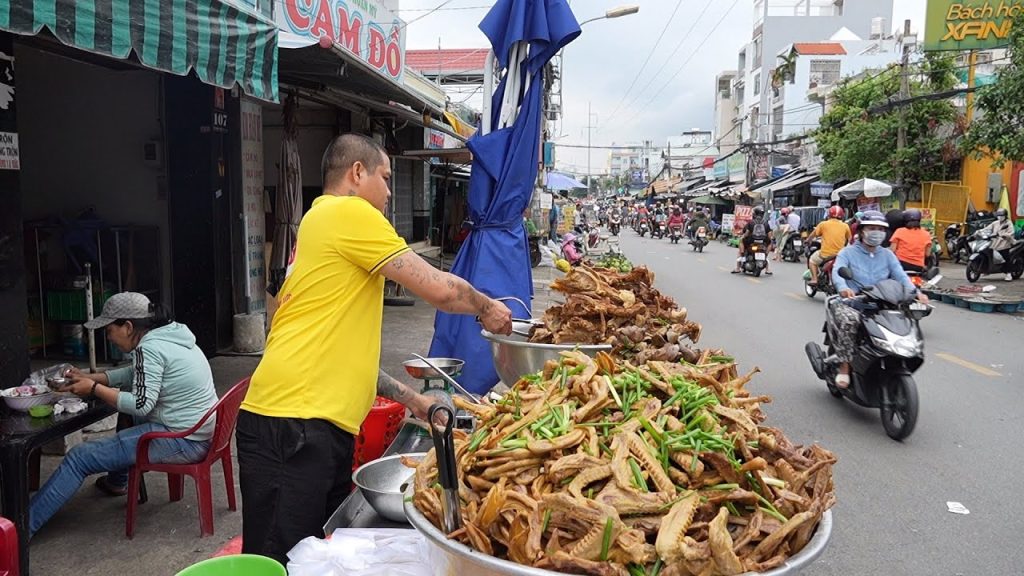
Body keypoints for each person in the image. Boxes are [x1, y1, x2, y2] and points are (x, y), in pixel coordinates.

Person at [237, 134, 513, 566]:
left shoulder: (321, 225)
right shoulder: (348, 212)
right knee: (280, 562)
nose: (389, 191)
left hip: (311, 425)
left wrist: (412, 399)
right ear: (357, 173)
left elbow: (342, 352)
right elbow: (440, 289)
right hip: (290, 424)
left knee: (310, 559)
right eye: (385, 178)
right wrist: (487, 307)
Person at [31, 293, 217, 537]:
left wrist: (94, 389)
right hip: (199, 430)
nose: (108, 338)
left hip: (182, 439)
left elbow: (141, 404)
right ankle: (117, 481)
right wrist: (92, 377)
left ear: (128, 327)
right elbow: (136, 373)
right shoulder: (171, 336)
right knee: (126, 415)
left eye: (109, 330)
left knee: (79, 458)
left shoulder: (149, 348)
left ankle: (21, 530)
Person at [830, 211, 929, 389]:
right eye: (871, 228)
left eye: (880, 229)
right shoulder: (847, 252)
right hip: (853, 303)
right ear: (861, 231)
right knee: (849, 321)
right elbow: (839, 272)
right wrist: (844, 289)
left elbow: (900, 276)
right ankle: (844, 367)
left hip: (882, 302)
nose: (876, 232)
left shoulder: (887, 255)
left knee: (906, 318)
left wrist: (916, 293)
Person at [806, 206, 852, 286]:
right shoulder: (845, 226)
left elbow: (813, 234)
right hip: (840, 255)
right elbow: (850, 240)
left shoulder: (823, 224)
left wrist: (807, 241)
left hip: (825, 254)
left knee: (812, 261)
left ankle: (814, 279)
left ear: (829, 215)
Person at [733, 206, 773, 275]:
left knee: (741, 241)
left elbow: (746, 234)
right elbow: (769, 236)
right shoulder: (766, 223)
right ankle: (767, 269)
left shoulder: (751, 223)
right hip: (763, 242)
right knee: (770, 243)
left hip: (751, 241)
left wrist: (742, 236)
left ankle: (738, 266)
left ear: (754, 214)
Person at [982, 208, 1017, 281]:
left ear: (1005, 216)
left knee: (1005, 257)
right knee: (988, 253)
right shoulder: (995, 223)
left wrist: (1003, 234)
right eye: (999, 216)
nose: (1000, 217)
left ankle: (1009, 274)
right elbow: (987, 229)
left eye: (1002, 216)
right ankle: (987, 270)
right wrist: (978, 232)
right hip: (995, 242)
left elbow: (1011, 232)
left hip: (1005, 242)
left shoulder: (1008, 223)